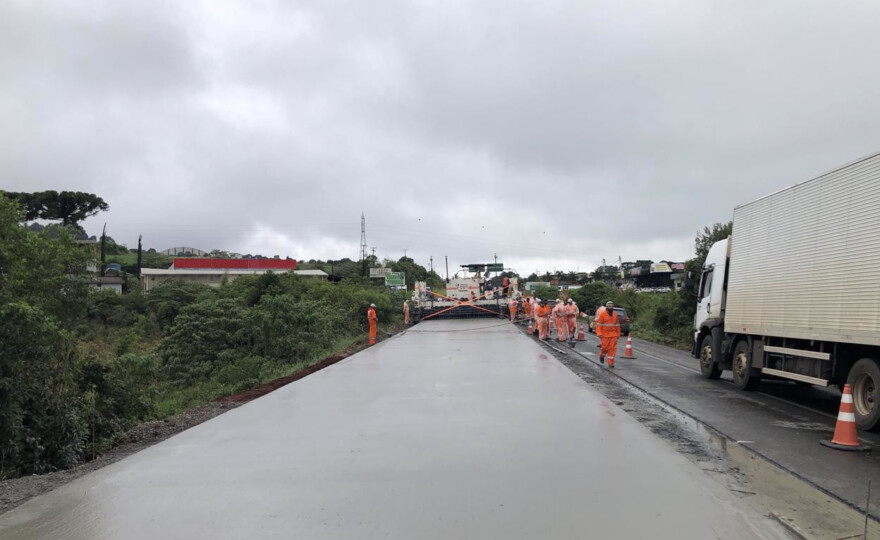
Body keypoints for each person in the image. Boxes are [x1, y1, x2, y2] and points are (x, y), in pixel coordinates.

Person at [595, 300, 621, 367]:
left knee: (612, 348)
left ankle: (610, 362)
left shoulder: (615, 314)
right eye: (609, 306)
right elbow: (599, 325)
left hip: (613, 334)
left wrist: (618, 334)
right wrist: (599, 333)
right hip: (604, 334)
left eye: (611, 306)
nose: (610, 307)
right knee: (605, 348)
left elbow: (617, 325)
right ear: (607, 306)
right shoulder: (602, 314)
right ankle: (602, 355)